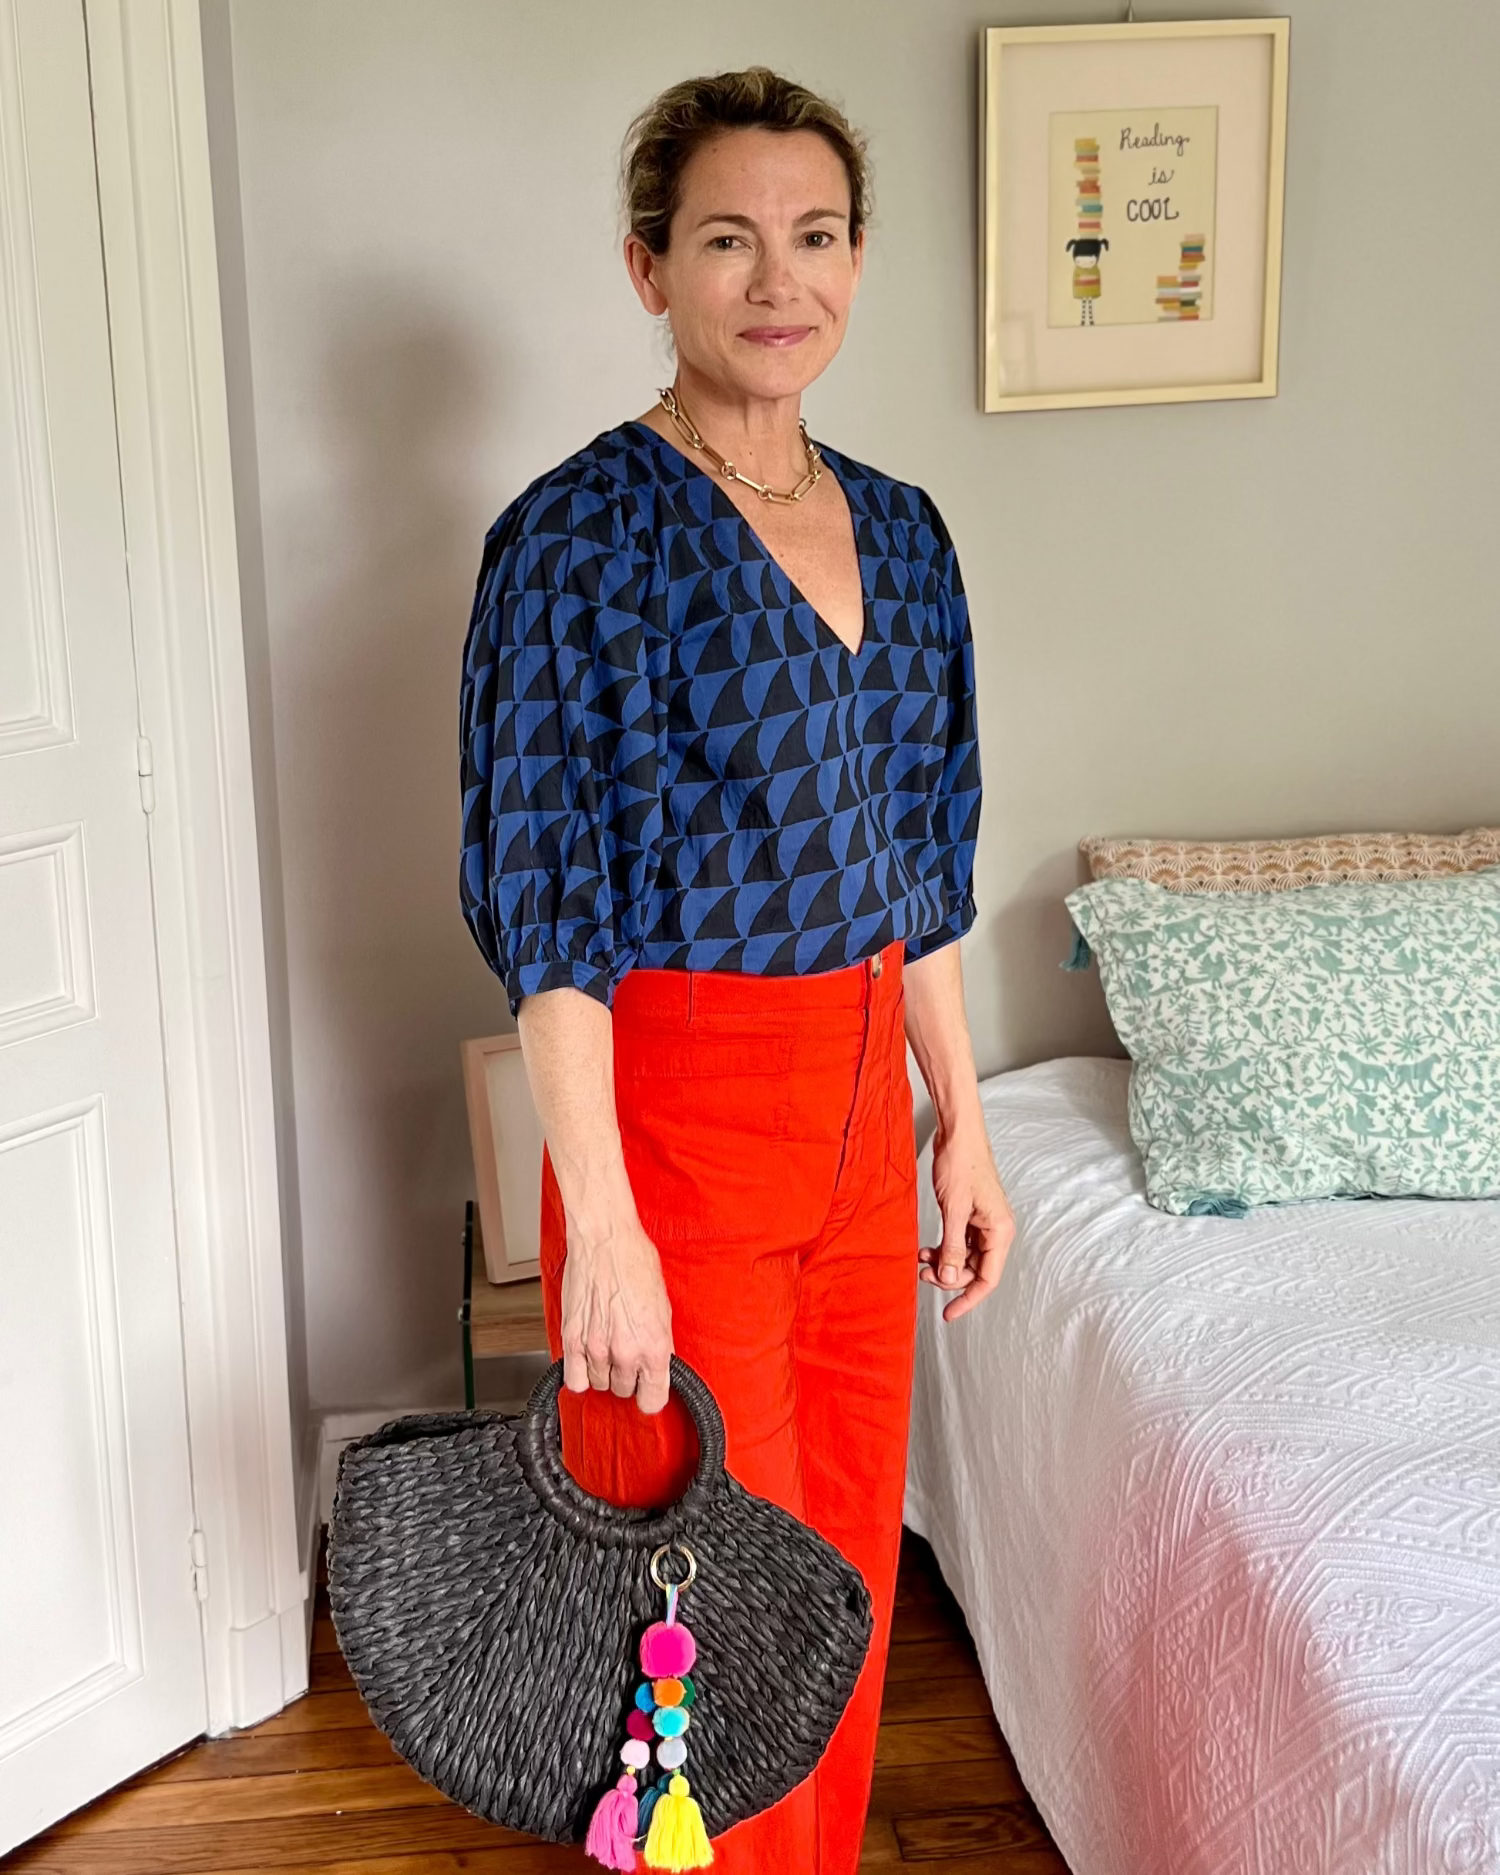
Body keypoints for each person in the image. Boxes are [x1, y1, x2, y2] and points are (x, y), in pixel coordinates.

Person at [459, 65, 1014, 1875]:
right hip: (679, 1117)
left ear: (860, 259)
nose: (783, 280)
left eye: (819, 235)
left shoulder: (908, 533)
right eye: (727, 239)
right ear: (648, 270)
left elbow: (922, 873)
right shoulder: (575, 542)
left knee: (843, 1572)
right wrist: (598, 1222)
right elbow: (550, 910)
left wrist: (967, 1129)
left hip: (868, 1120)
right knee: (702, 1586)